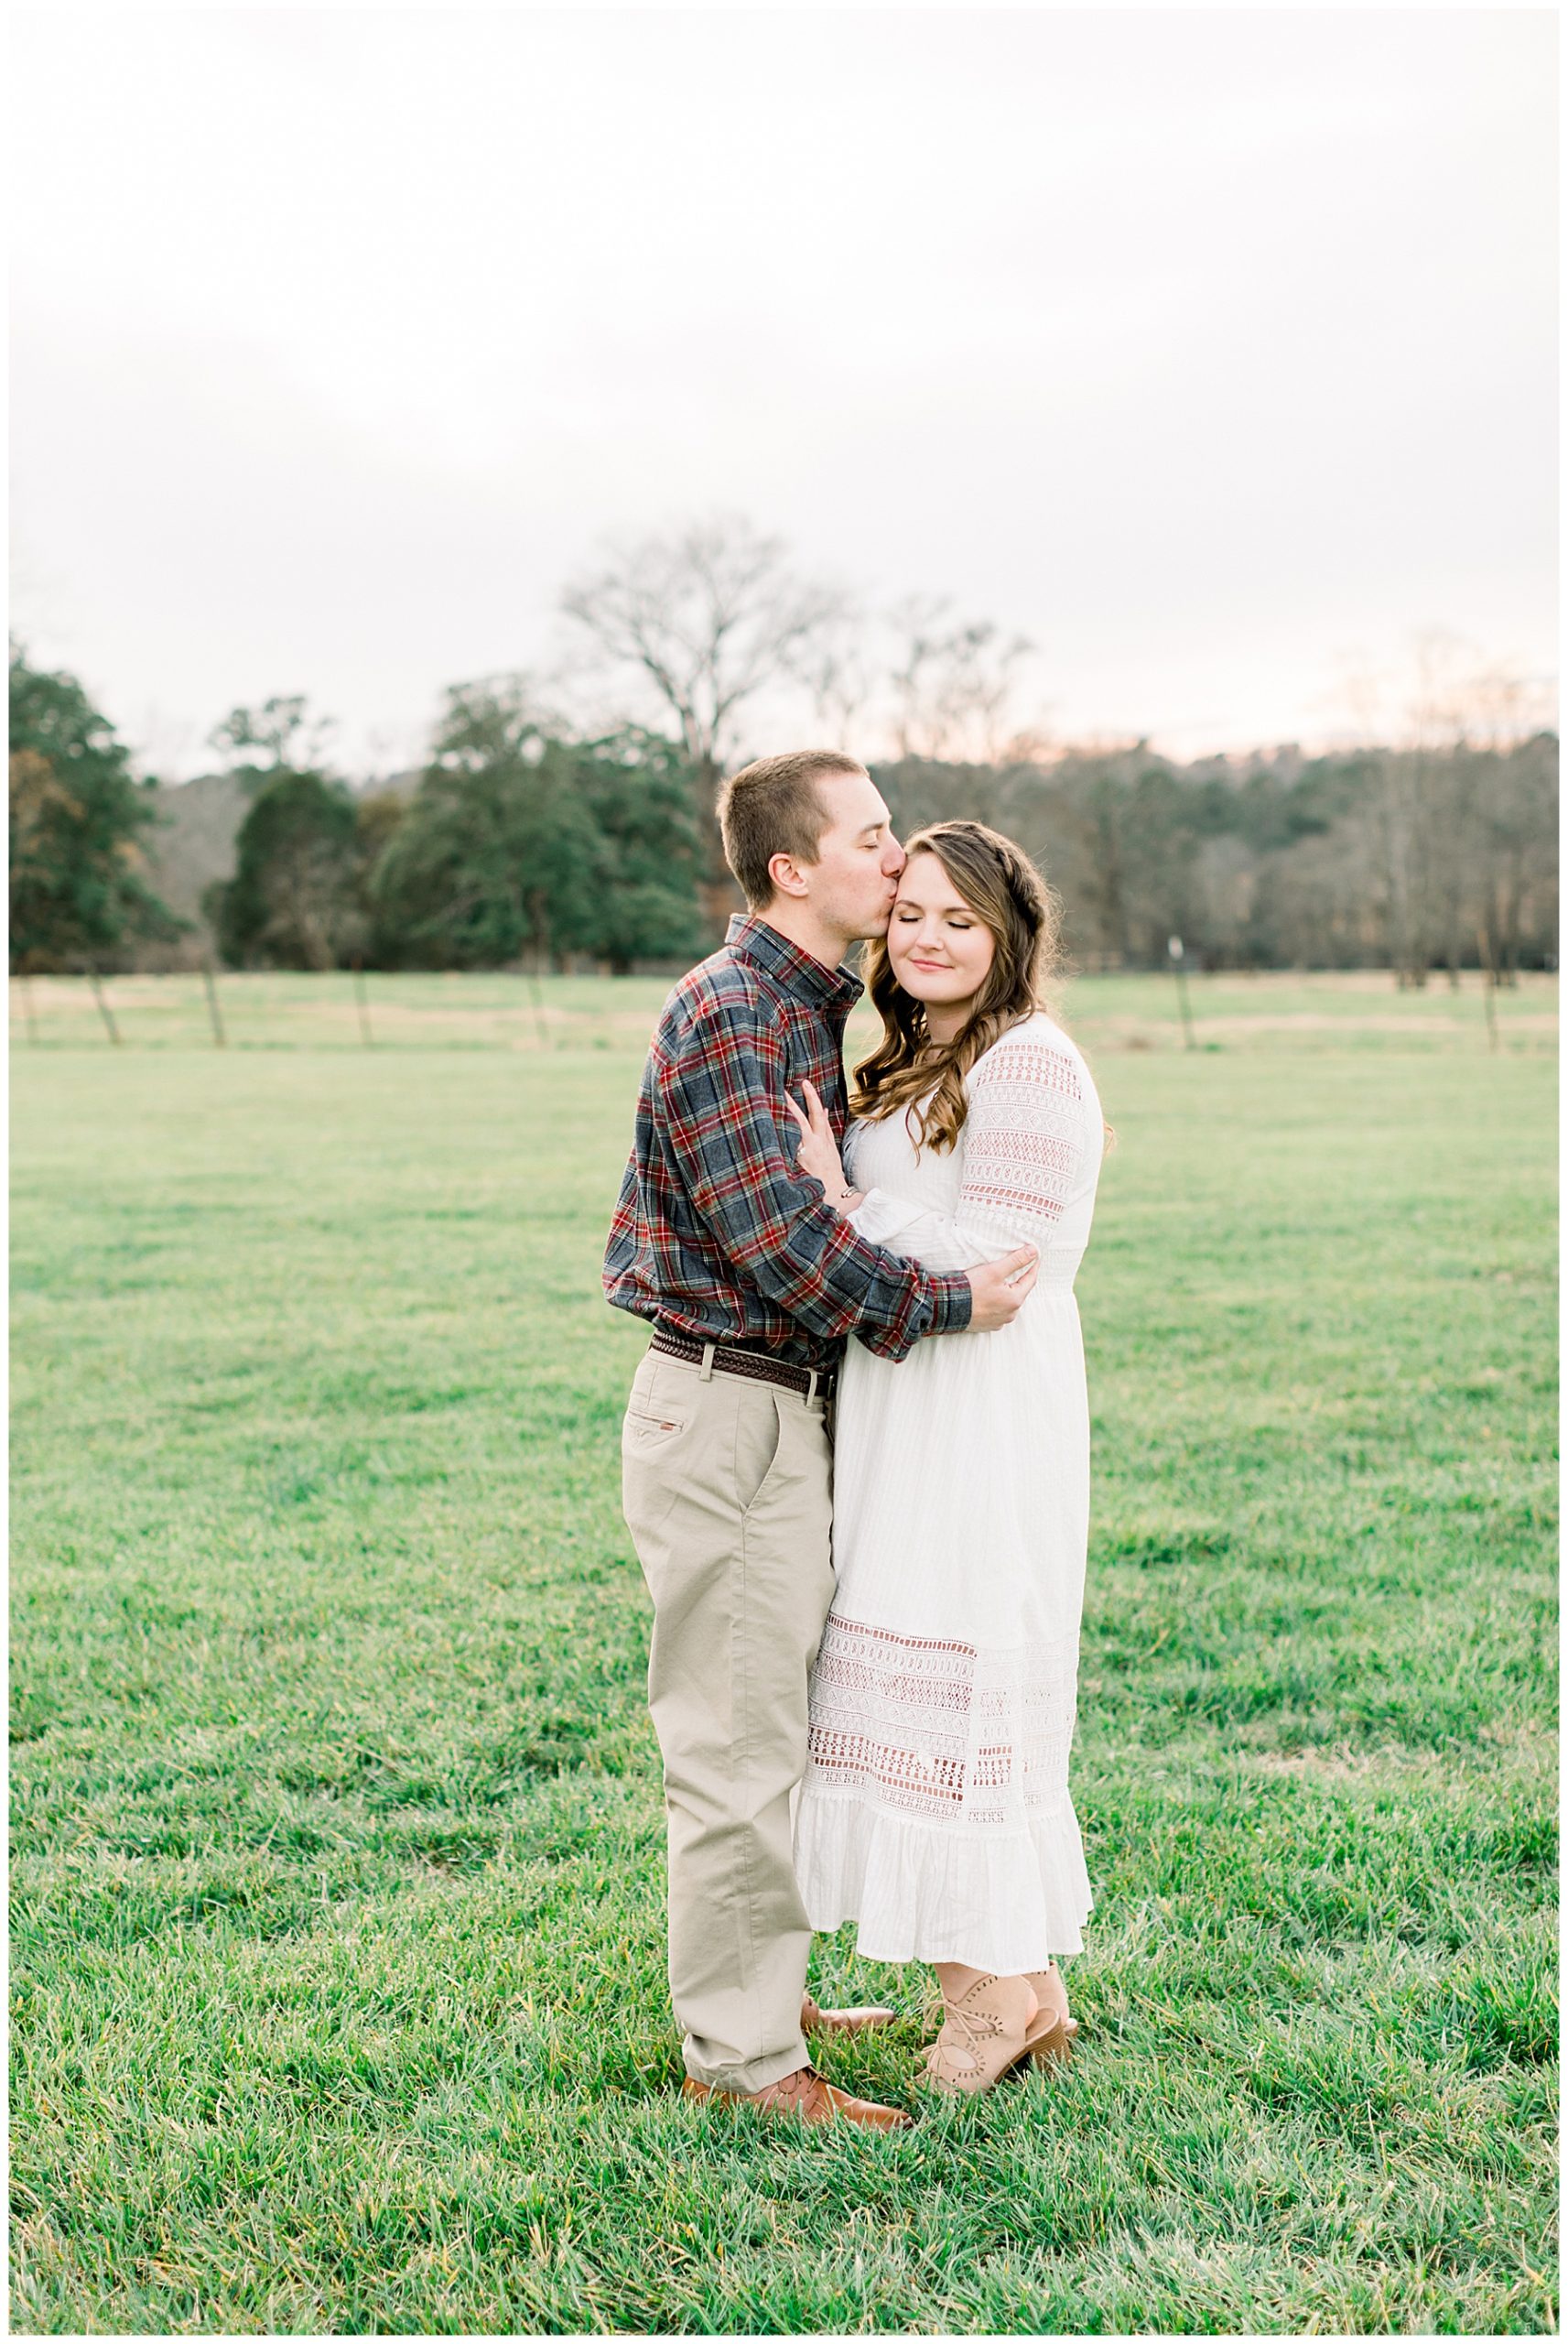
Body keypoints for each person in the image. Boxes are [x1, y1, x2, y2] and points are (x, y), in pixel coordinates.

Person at [604, 754, 1039, 2132]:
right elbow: (789, 1248)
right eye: (871, 837)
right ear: (794, 870)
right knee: (735, 1745)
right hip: (729, 1409)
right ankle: (741, 2064)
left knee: (767, 1726)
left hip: (774, 1410)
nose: (895, 858)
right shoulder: (737, 1012)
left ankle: (761, 1993)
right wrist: (954, 1298)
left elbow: (817, 1211)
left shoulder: (805, 1010)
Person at [788, 819, 1108, 2094]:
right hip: (901, 1406)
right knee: (880, 1689)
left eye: (956, 920)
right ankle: (1019, 1991)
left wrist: (841, 1200)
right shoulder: (911, 1054)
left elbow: (1008, 1263)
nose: (924, 936)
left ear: (1007, 935)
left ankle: (989, 2004)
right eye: (909, 912)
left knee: (954, 1681)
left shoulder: (1030, 1065)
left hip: (978, 1419)